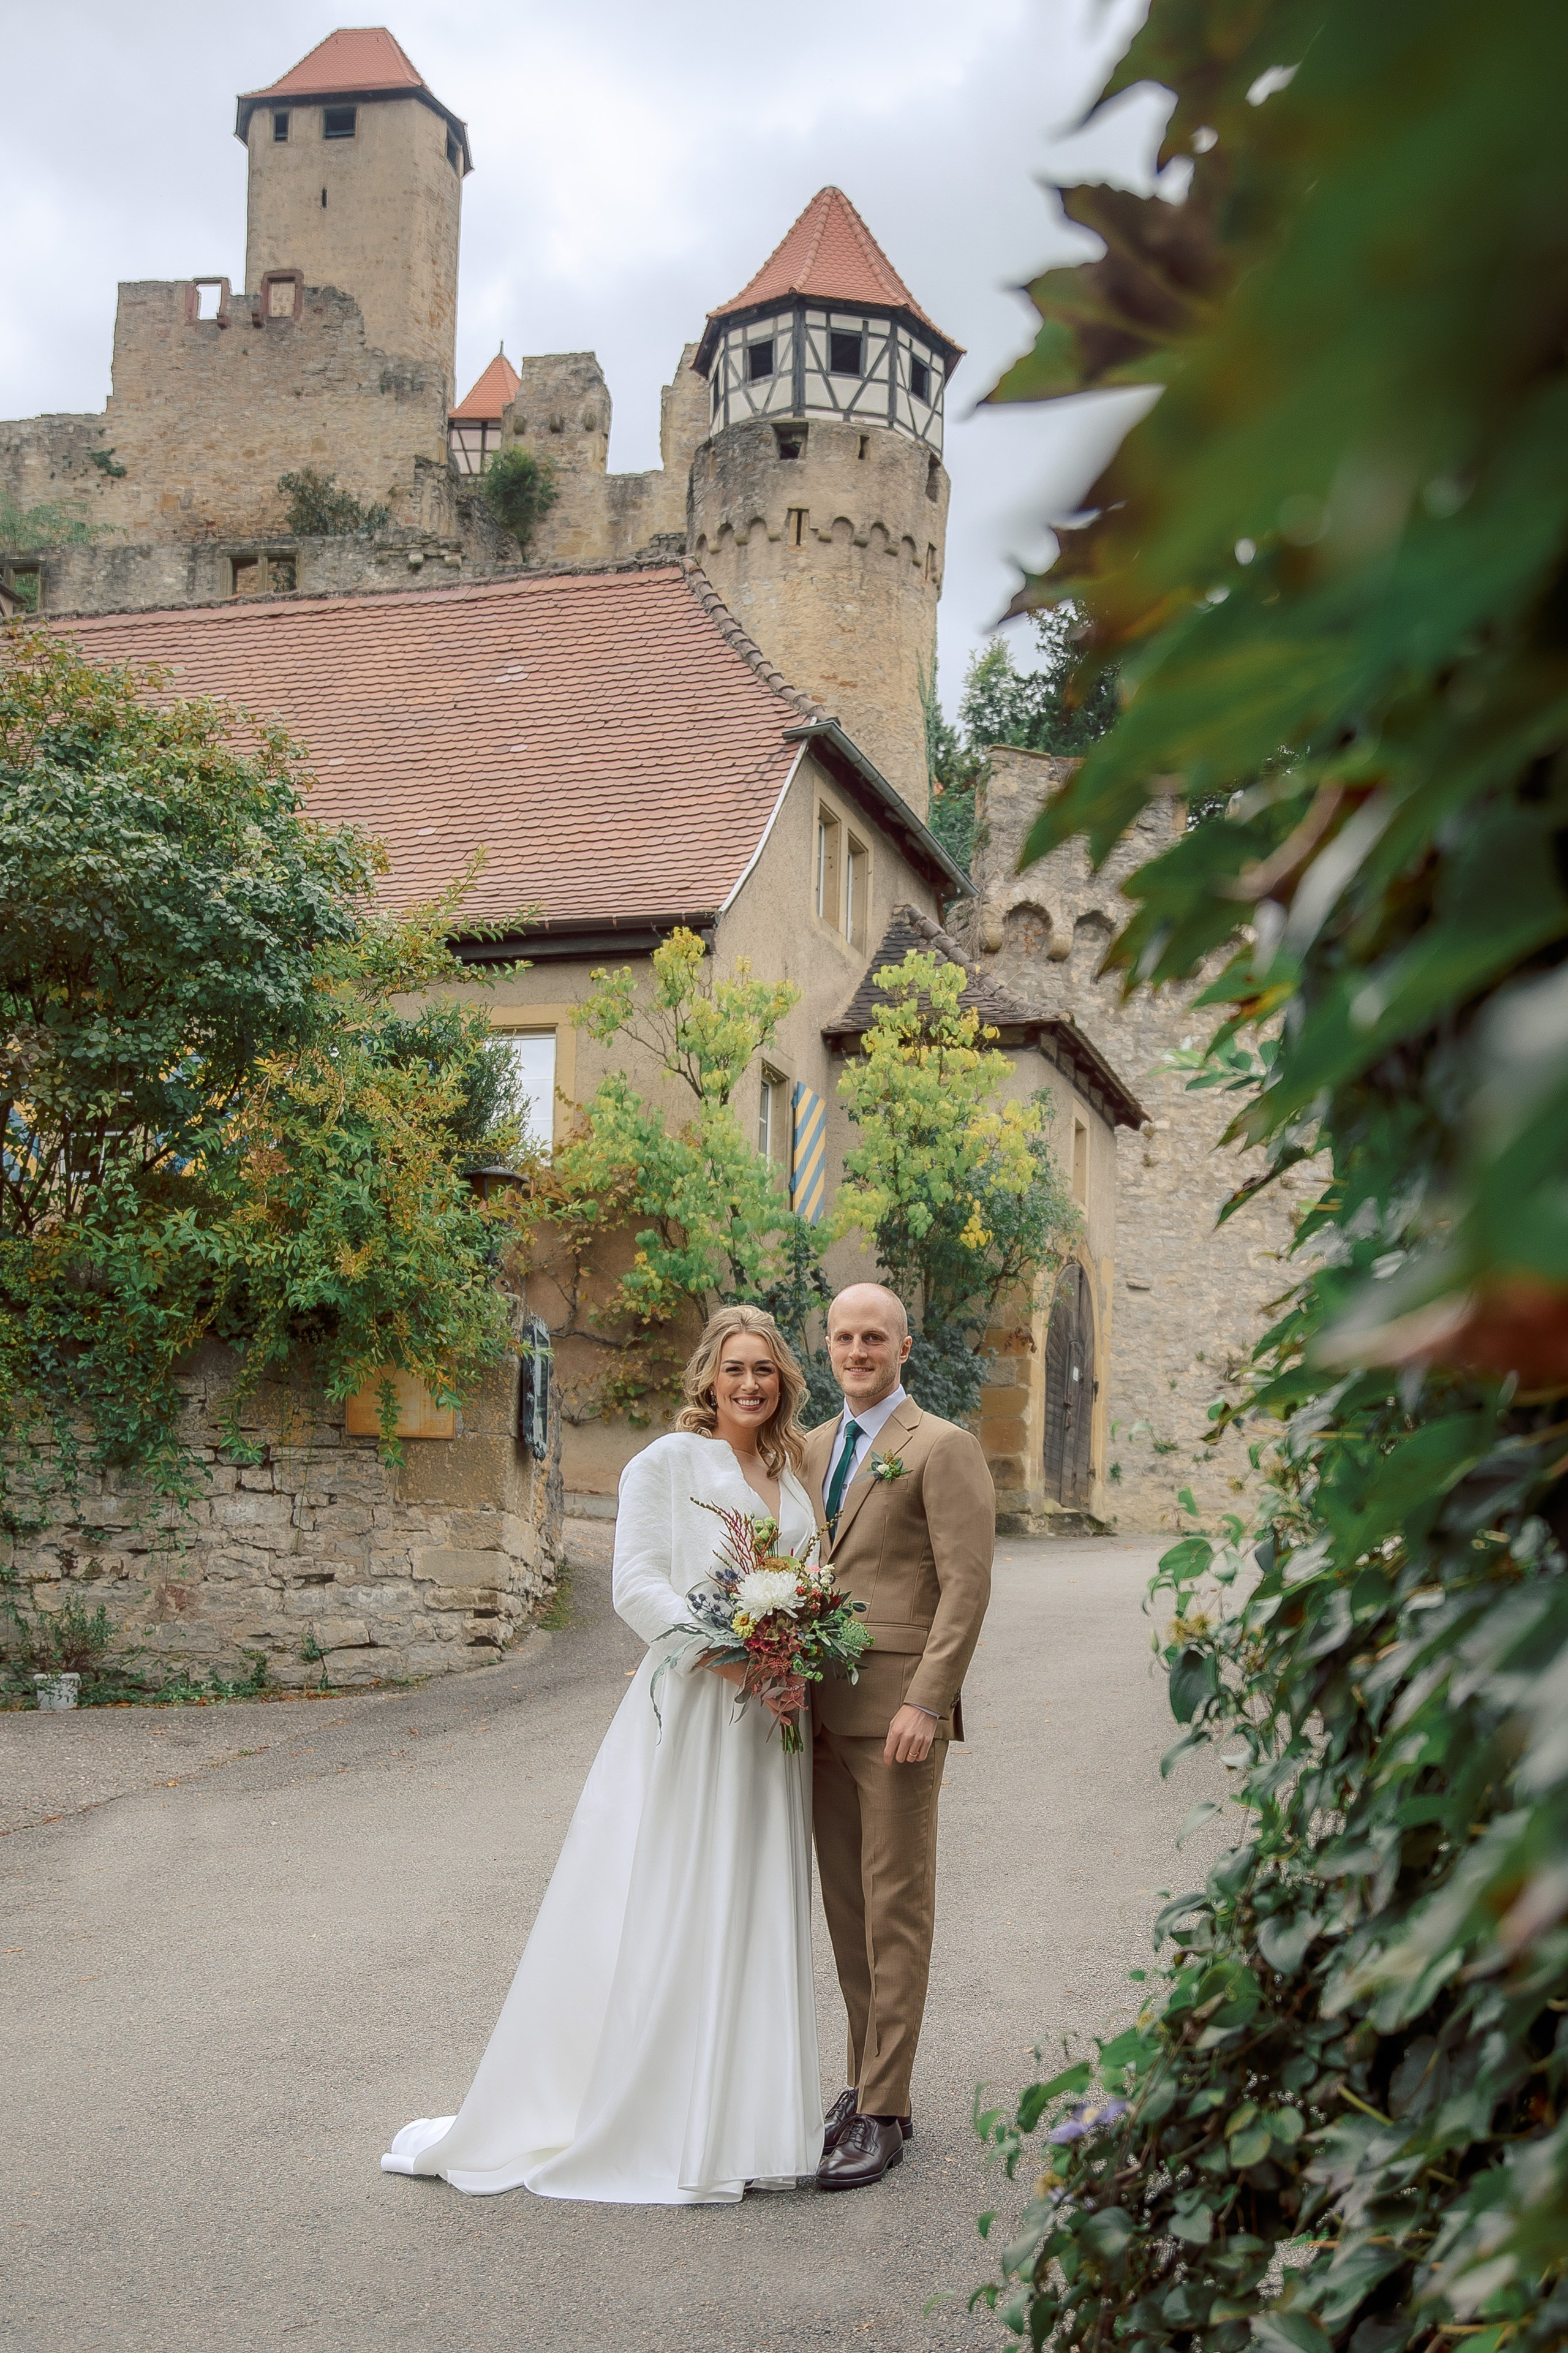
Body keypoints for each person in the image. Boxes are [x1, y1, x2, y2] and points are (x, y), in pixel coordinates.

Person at [380, 1304, 824, 2205]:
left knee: (752, 1900)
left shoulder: (789, 1473)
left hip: (771, 1725)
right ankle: (660, 2117)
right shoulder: (666, 1462)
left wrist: (791, 1665)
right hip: (696, 1710)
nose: (749, 1384)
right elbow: (634, 1585)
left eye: (765, 1371)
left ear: (782, 1382)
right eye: (734, 1368)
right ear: (707, 1376)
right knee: (675, 1898)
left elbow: (807, 1589)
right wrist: (732, 1651)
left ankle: (741, 2124)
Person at [805, 1283, 994, 2191]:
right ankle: (867, 2080)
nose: (857, 1349)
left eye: (873, 1336)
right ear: (828, 1346)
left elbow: (965, 1586)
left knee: (896, 1906)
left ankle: (883, 2109)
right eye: (843, 1336)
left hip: (898, 1718)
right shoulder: (808, 1449)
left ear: (904, 1346)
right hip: (816, 1714)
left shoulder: (943, 1447)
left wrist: (928, 1698)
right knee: (848, 1909)